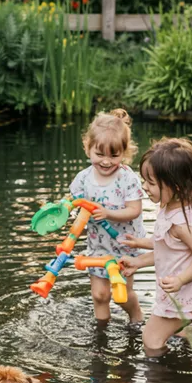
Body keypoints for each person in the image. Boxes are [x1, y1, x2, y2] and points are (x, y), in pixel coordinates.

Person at [119, 137, 192, 355]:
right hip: (187, 288)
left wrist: (180, 280)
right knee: (179, 330)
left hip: (186, 288)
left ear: (175, 186)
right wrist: (137, 261)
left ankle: (166, 380)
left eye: (151, 183)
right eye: (144, 180)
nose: (144, 187)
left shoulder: (181, 222)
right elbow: (169, 249)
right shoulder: (173, 207)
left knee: (151, 337)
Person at [69, 109, 144, 325]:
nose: (106, 161)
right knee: (100, 295)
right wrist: (65, 210)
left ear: (124, 152)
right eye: (99, 154)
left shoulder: (127, 178)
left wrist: (108, 213)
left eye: (114, 155)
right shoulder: (83, 178)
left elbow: (134, 210)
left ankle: (136, 316)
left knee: (123, 295)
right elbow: (75, 201)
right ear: (87, 148)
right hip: (98, 245)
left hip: (124, 244)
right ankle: (101, 333)